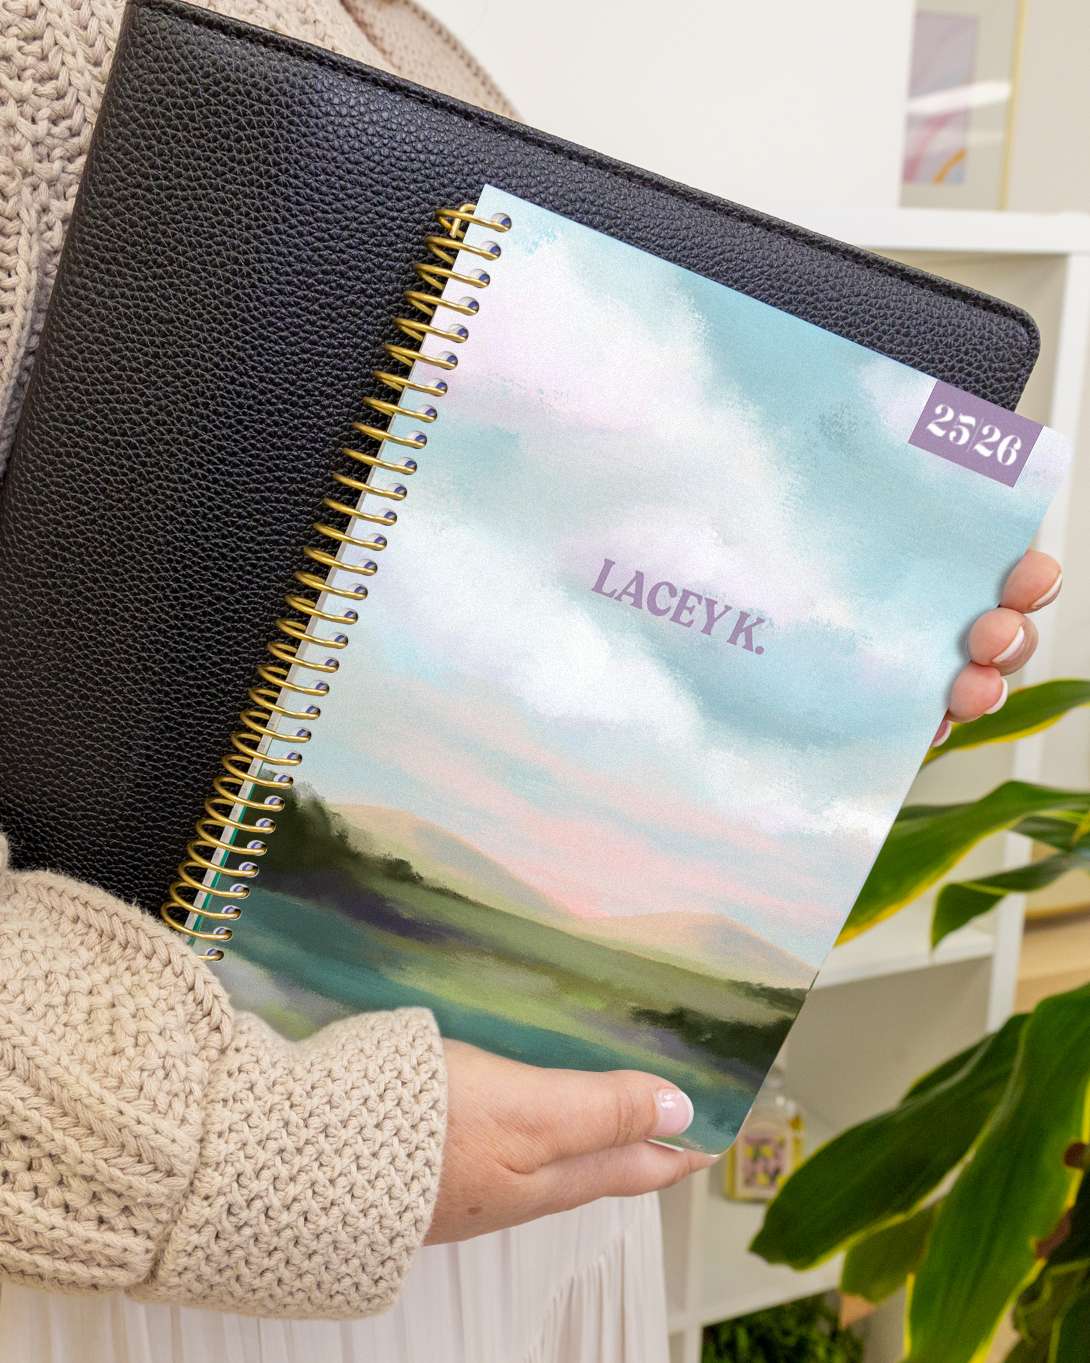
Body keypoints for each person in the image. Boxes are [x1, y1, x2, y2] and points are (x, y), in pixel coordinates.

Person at [0, 0, 1064, 1359]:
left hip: (492, 1203)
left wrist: (843, 680)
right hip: (172, 1229)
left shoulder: (400, 39)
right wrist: (280, 1158)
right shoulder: (37, 41)